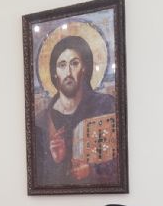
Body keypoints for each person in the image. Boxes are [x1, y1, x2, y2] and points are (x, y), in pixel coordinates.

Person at [35, 35, 117, 186]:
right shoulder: (42, 121)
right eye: (62, 65)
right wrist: (57, 161)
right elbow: (41, 178)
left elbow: (119, 162)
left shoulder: (105, 106)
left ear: (84, 68)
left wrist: (92, 170)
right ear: (55, 72)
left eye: (74, 63)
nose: (68, 73)